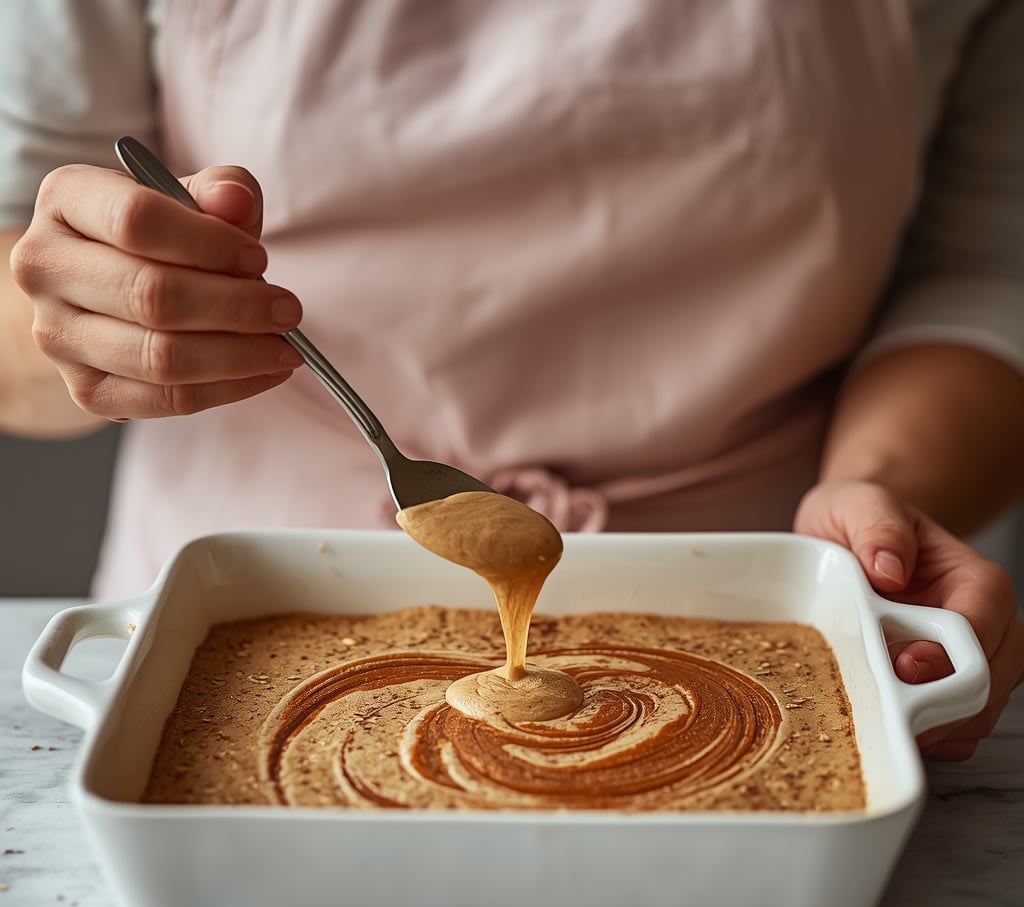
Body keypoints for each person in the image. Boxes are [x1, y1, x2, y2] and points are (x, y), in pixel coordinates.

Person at [1, 0, 1022, 761]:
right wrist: (90, 324)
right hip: (240, 591)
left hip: (766, 578)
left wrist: (886, 495)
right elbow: (19, 278)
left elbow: (986, 269)